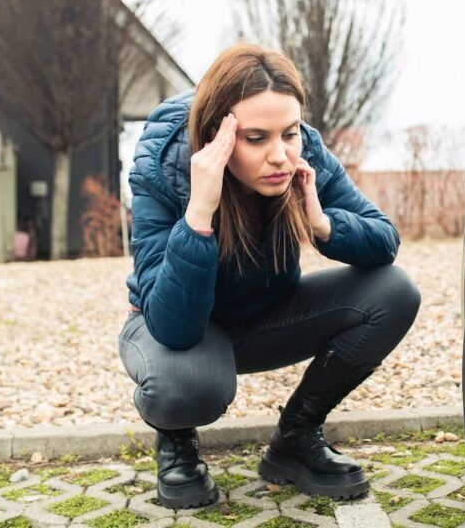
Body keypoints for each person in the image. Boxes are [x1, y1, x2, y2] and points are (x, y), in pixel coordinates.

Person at [118, 42, 421, 509]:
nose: (280, 155)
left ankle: (296, 438)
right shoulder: (164, 165)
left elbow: (384, 239)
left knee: (394, 291)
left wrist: (322, 223)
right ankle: (177, 440)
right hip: (179, 331)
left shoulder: (304, 152)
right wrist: (199, 213)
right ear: (216, 133)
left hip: (265, 316)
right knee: (187, 387)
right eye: (256, 138)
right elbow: (173, 326)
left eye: (290, 133)